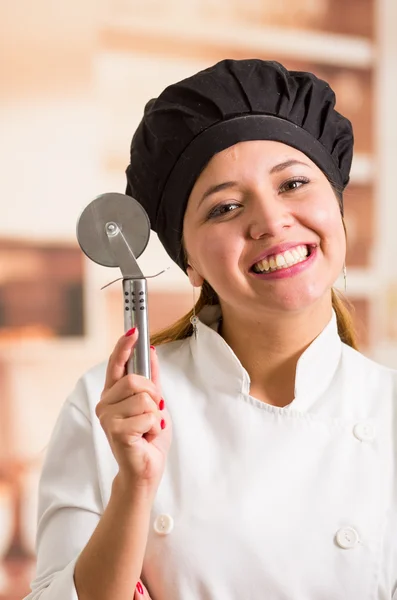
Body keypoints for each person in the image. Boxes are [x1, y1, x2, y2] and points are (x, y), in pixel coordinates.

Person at [25, 59, 397, 600]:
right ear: (190, 262)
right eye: (224, 207)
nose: (271, 221)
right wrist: (135, 485)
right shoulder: (114, 409)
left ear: (337, 207)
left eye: (293, 183)